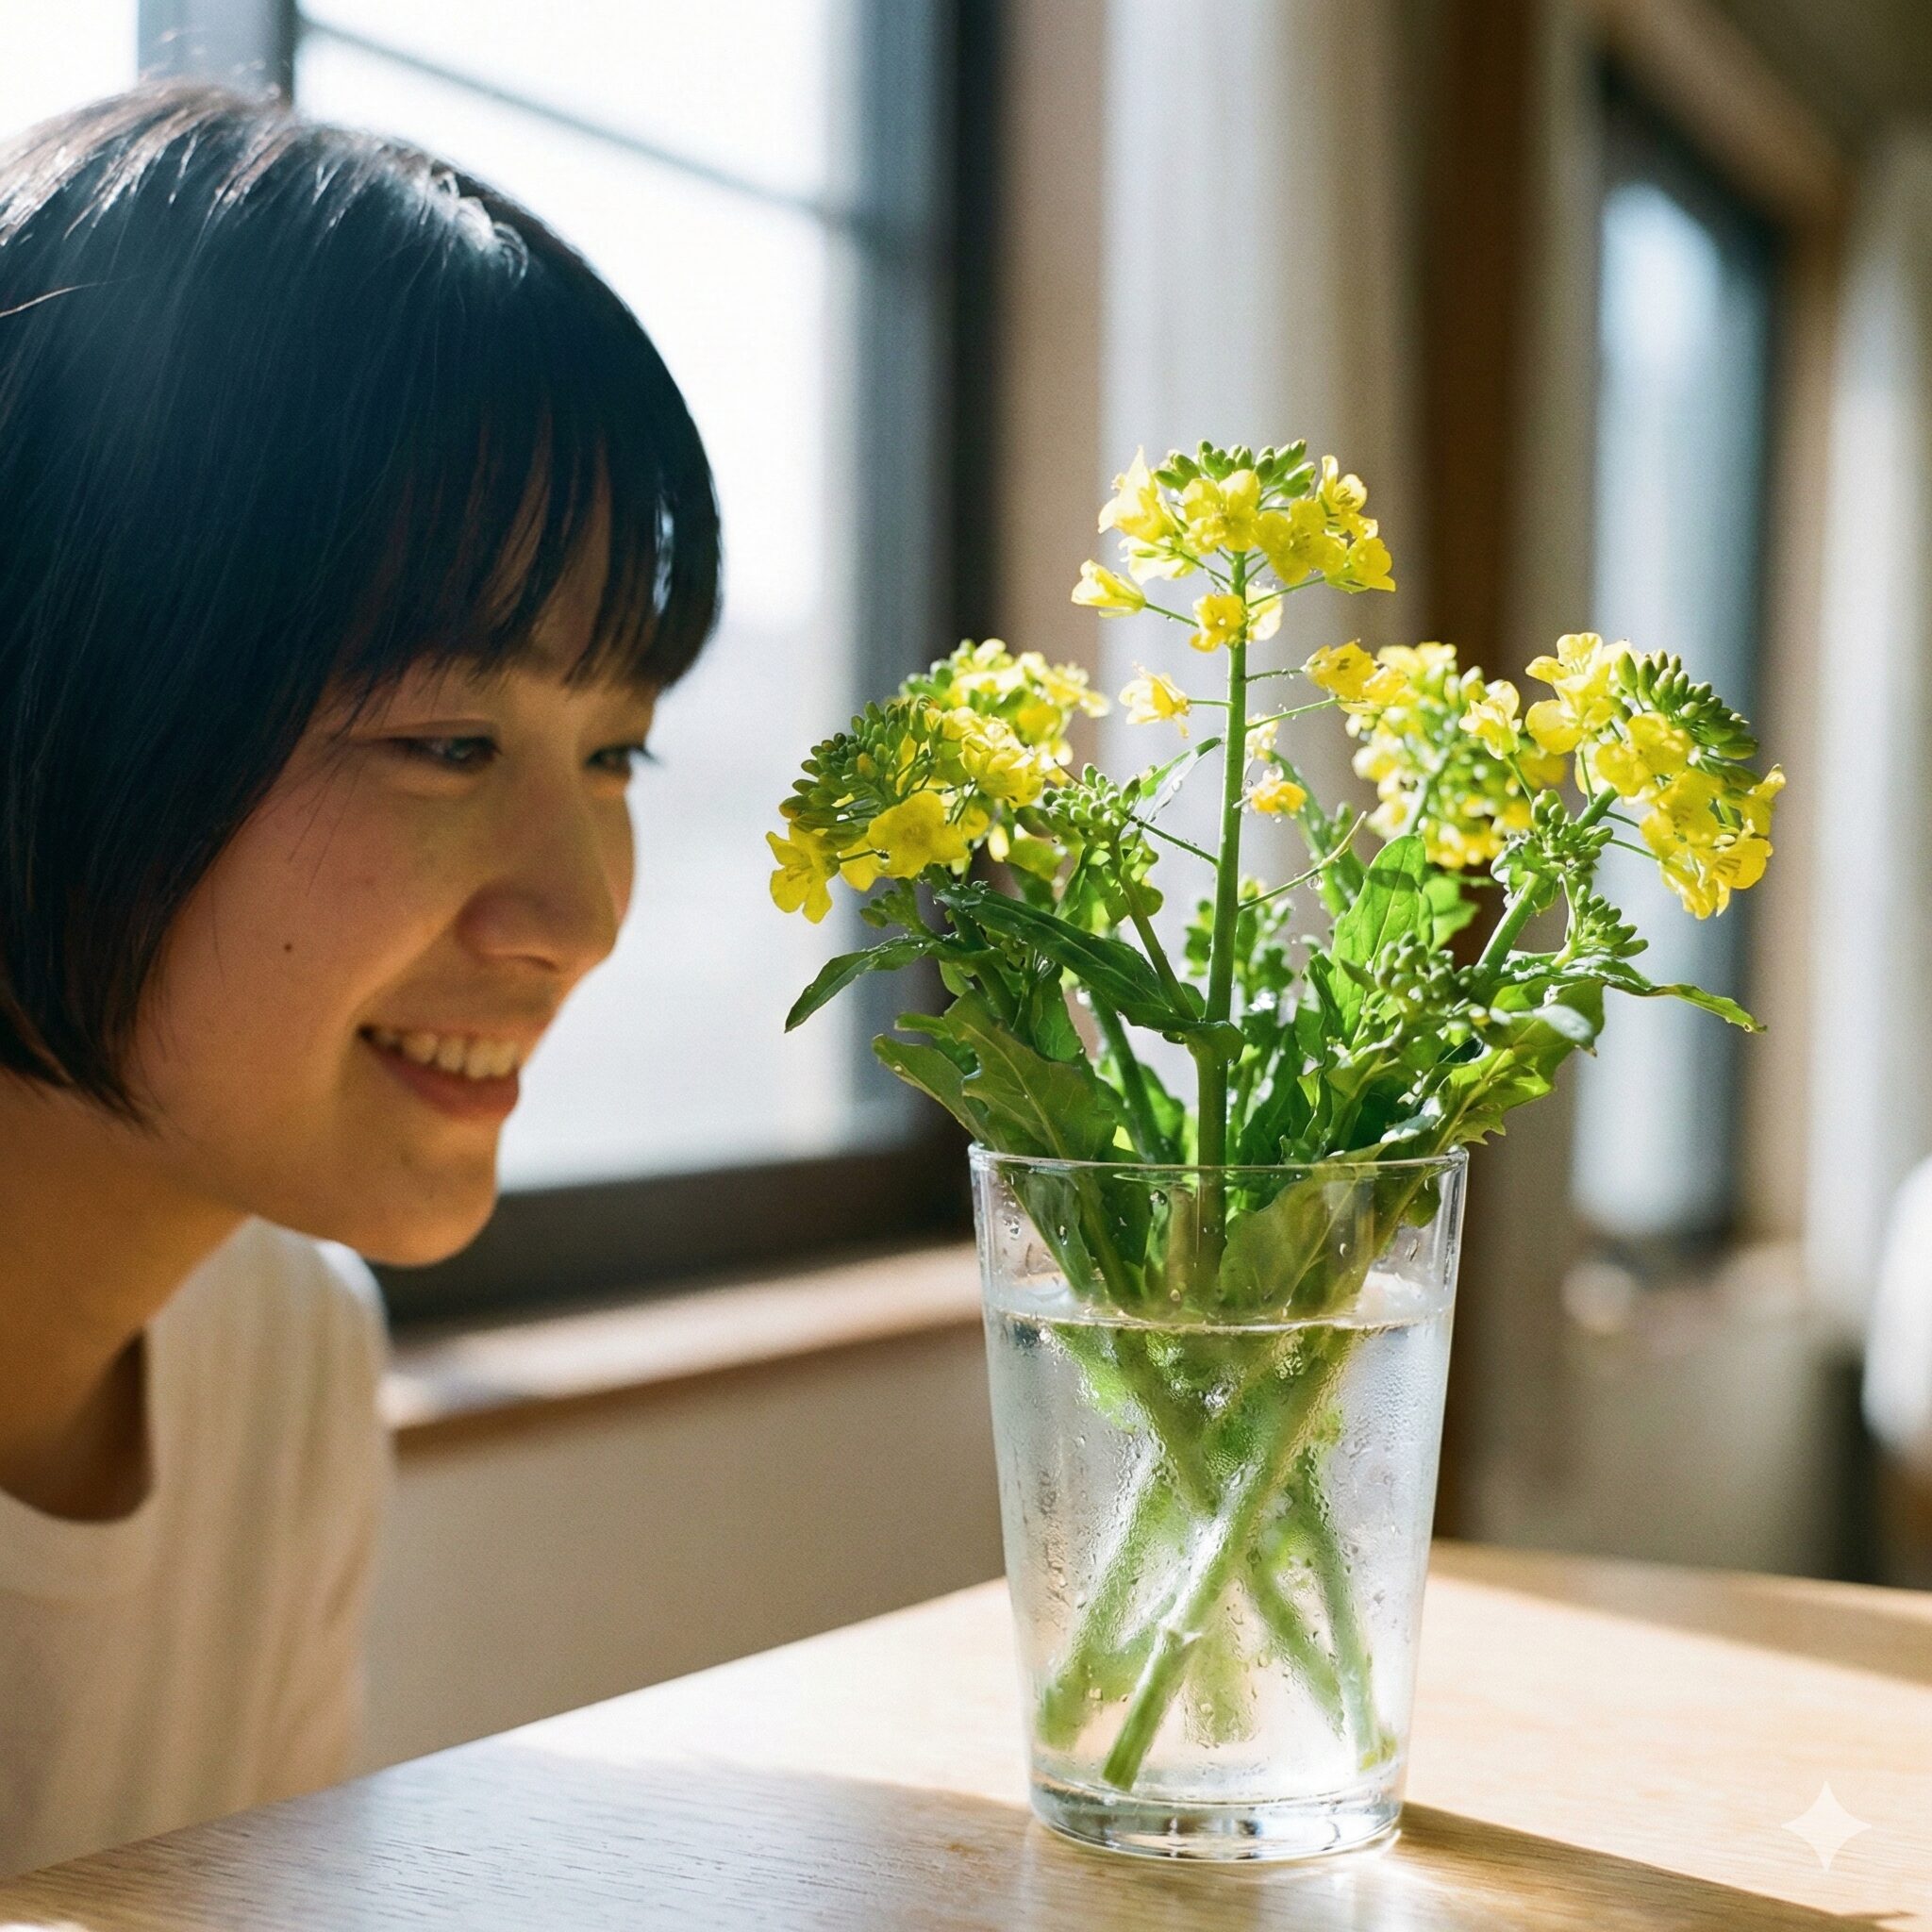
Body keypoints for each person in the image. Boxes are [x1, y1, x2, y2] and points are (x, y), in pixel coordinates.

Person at [0, 80, 719, 1877]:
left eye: (617, 755)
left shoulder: (283, 1346)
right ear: (64, 705)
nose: (577, 914)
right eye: (449, 743)